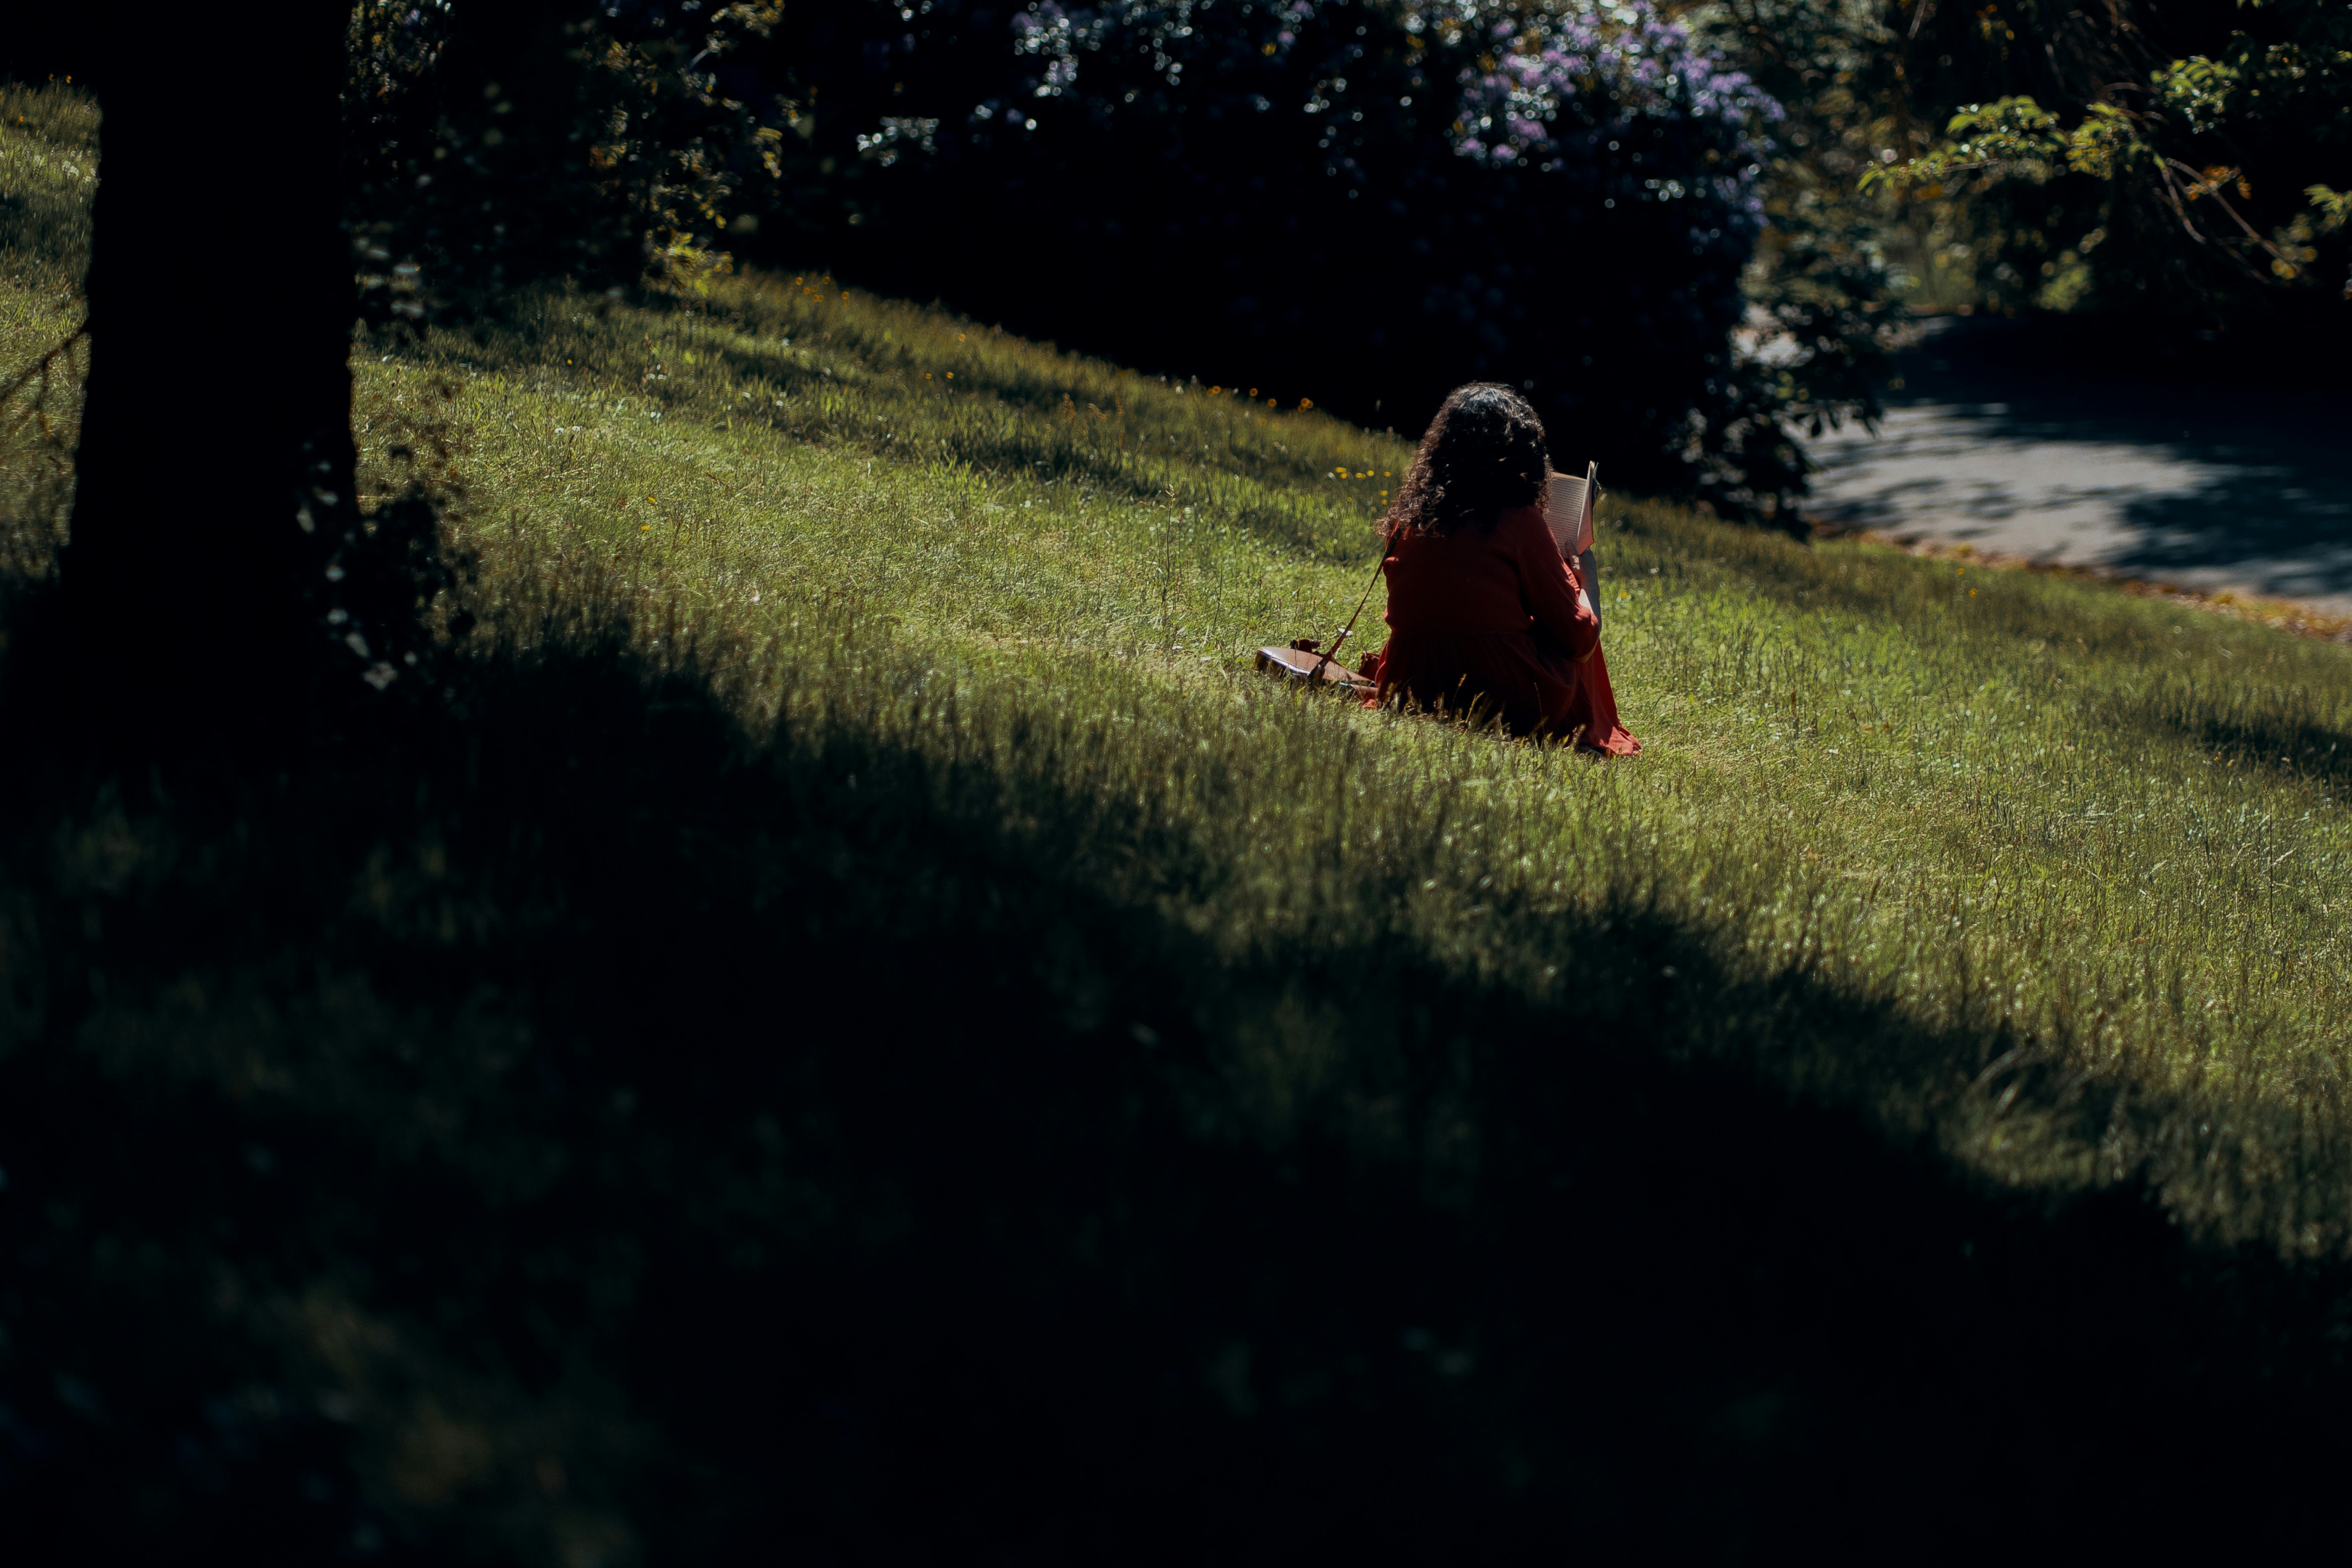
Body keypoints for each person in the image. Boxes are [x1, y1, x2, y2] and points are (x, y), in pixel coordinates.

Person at [1357, 384, 1640, 756]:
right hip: (1507, 700)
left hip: (1410, 687)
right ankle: (1588, 732)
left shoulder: (1410, 518)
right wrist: (1587, 577)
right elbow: (1577, 639)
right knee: (1572, 599)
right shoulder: (1519, 521)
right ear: (1521, 456)